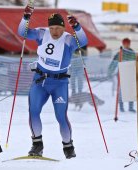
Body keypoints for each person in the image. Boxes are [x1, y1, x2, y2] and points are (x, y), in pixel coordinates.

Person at [18, 5, 88, 159]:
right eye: (52, 28)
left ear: (63, 28)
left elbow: (83, 41)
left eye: (58, 28)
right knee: (33, 111)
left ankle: (68, 146)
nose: (55, 32)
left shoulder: (69, 39)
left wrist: (76, 26)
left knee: (60, 116)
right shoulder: (42, 33)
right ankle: (37, 144)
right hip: (40, 81)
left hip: (59, 83)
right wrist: (26, 18)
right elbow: (22, 32)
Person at [108, 38, 136, 113]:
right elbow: (113, 63)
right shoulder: (120, 53)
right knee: (121, 91)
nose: (126, 45)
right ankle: (121, 107)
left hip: (130, 75)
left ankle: (130, 107)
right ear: (123, 44)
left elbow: (136, 64)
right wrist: (110, 72)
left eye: (128, 43)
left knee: (130, 91)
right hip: (121, 74)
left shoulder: (133, 53)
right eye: (125, 43)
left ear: (129, 44)